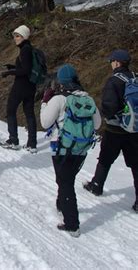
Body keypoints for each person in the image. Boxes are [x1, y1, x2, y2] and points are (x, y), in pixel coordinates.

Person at [40, 64, 101, 237]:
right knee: (66, 178)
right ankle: (61, 205)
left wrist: (45, 102)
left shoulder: (59, 99)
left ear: (60, 81)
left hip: (61, 147)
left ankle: (72, 224)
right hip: (81, 149)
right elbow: (97, 124)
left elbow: (45, 123)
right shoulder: (87, 99)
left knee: (66, 183)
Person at [83, 49, 138, 212]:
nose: (111, 64)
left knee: (105, 158)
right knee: (136, 164)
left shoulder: (114, 81)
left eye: (112, 61)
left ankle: (96, 185)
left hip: (115, 129)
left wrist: (107, 115)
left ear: (117, 63)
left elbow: (109, 106)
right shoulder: (134, 78)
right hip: (134, 130)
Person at [0, 25, 38, 152]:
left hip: (21, 85)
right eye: (14, 36)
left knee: (10, 110)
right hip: (31, 86)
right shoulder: (29, 49)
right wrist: (12, 67)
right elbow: (26, 67)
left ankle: (13, 140)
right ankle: (32, 144)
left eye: (18, 36)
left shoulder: (25, 50)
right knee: (29, 114)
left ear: (24, 36)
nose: (15, 38)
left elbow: (25, 70)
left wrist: (9, 73)